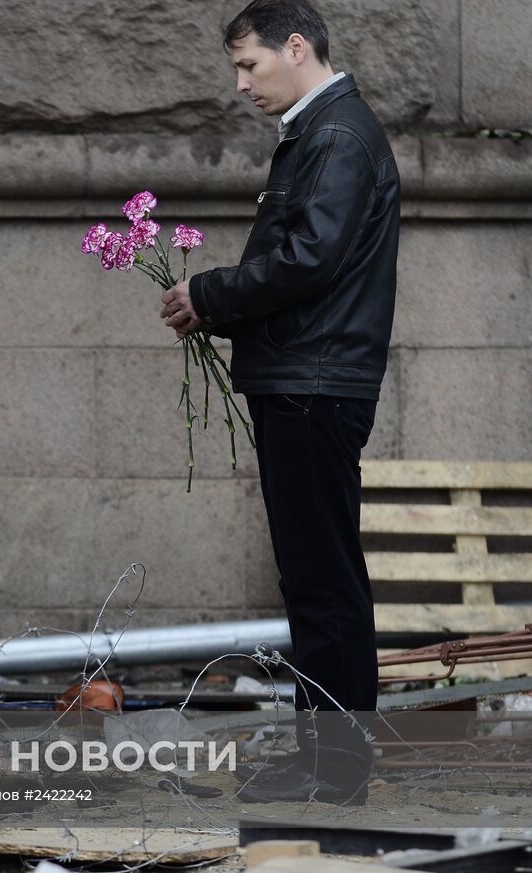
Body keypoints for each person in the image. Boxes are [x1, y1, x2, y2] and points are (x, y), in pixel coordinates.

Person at [159, 0, 400, 804]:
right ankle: (327, 761)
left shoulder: (334, 134)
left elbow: (305, 259)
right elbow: (312, 265)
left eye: (250, 64)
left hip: (312, 386)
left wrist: (212, 294)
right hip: (308, 380)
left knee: (322, 580)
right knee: (316, 578)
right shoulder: (328, 131)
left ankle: (333, 770)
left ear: (296, 47)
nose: (239, 84)